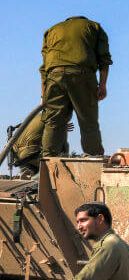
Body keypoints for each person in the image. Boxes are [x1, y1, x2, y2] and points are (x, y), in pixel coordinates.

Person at [39, 16, 111, 157]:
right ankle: (94, 158)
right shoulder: (94, 27)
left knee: (53, 121)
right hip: (82, 74)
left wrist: (43, 96)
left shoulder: (52, 30)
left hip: (54, 77)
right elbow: (104, 59)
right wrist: (102, 86)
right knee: (88, 121)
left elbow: (44, 68)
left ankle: (47, 163)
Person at [9, 110, 72, 177]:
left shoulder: (34, 117)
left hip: (17, 156)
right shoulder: (54, 119)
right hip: (32, 155)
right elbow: (62, 145)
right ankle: (36, 176)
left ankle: (29, 173)